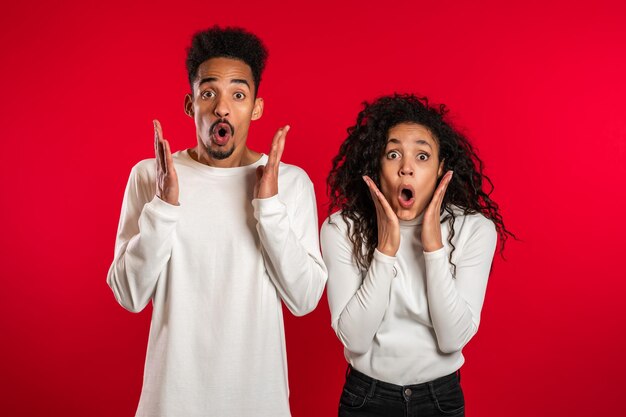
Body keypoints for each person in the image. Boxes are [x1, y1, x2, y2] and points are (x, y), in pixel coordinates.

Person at [106, 26, 327, 417]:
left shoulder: (289, 182)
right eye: (209, 93)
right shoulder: (151, 175)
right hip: (169, 404)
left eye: (238, 95)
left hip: (259, 404)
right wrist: (163, 207)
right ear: (191, 105)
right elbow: (128, 294)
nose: (222, 108)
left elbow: (304, 299)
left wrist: (269, 206)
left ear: (256, 107)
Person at [321, 94, 513, 417]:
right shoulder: (341, 228)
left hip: (440, 398)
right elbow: (354, 340)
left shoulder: (475, 230)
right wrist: (384, 252)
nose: (406, 169)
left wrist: (434, 249)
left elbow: (452, 339)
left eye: (422, 157)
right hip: (366, 397)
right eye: (393, 154)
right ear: (376, 165)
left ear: (441, 169)